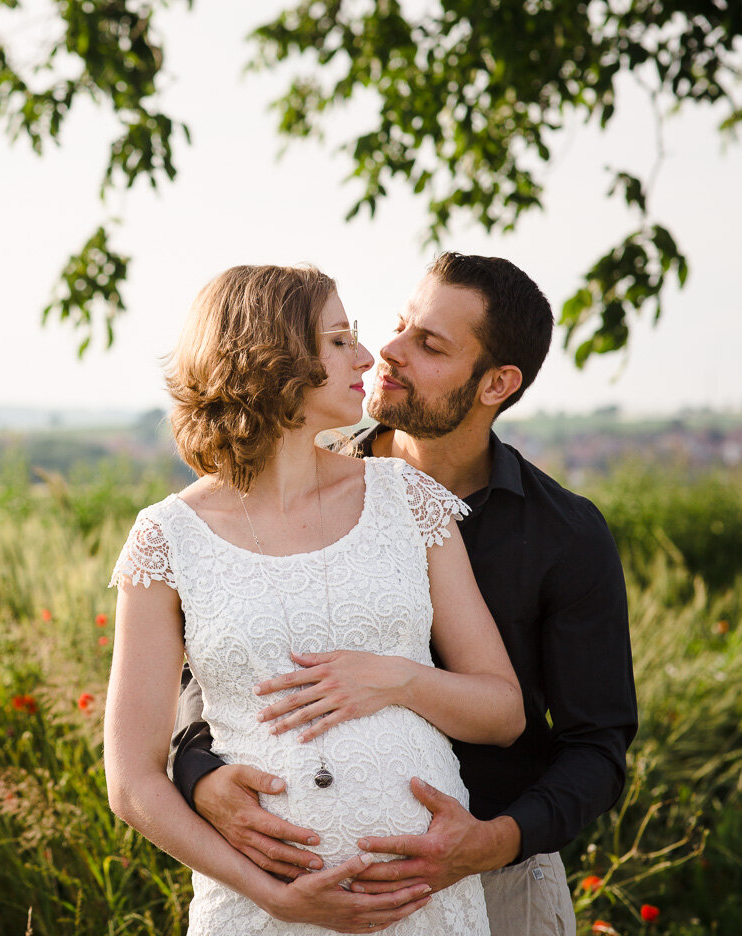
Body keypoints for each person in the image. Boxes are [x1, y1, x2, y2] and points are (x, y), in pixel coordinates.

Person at [169, 253, 638, 936]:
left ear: (496, 384)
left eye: (430, 344)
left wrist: (494, 841)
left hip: (499, 882)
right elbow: (211, 659)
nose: (387, 351)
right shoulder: (293, 474)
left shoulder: (564, 534)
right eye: (398, 326)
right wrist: (197, 772)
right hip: (290, 886)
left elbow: (597, 746)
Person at [104, 262, 525, 935]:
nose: (367, 356)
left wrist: (399, 680)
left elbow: (503, 712)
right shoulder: (167, 537)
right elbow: (131, 781)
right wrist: (270, 895)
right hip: (258, 911)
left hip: (422, 906)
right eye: (338, 341)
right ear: (271, 361)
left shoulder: (408, 500)